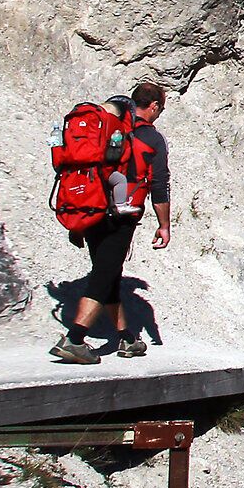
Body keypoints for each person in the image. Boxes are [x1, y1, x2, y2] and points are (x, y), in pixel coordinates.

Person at [48, 81, 173, 364]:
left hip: (92, 205)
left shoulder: (110, 129)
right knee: (104, 274)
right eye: (160, 108)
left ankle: (127, 338)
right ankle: (75, 339)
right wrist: (164, 225)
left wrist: (80, 221)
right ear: (153, 106)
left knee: (109, 273)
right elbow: (159, 183)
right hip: (121, 215)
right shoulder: (150, 138)